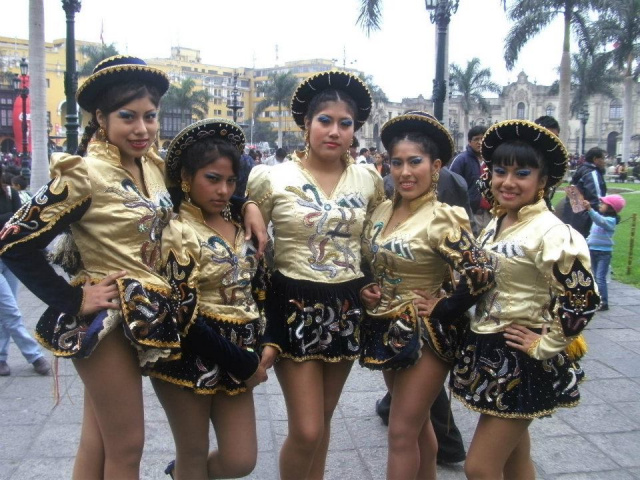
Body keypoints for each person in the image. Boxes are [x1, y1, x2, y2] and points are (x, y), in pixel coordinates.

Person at [0, 56, 265, 479]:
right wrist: (73, 298)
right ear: (100, 117)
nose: (142, 128)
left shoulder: (153, 167)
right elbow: (13, 241)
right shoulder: (83, 174)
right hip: (107, 321)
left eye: (150, 116)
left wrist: (246, 204)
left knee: (99, 441)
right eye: (128, 116)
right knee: (127, 447)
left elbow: (205, 187)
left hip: (147, 316)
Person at [247, 70, 385, 480]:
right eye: (325, 120)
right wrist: (245, 204)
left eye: (346, 123)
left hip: (346, 308)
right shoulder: (271, 177)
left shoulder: (369, 179)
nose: (335, 131)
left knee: (322, 421)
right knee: (306, 429)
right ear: (306, 124)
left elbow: (374, 242)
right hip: (292, 305)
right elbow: (242, 236)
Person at [450, 120, 600, 480]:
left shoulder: (553, 232)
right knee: (515, 460)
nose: (508, 182)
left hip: (522, 360)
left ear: (542, 180)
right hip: (490, 349)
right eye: (500, 171)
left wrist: (545, 344)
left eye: (522, 173)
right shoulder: (498, 222)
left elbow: (582, 299)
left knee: (479, 467)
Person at [359, 111, 494, 479]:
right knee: (418, 429)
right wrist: (367, 287)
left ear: (435, 166)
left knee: (401, 432)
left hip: (426, 335)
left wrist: (444, 306)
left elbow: (481, 272)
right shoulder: (383, 209)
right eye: (396, 162)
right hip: (386, 327)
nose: (404, 172)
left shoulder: (442, 217)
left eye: (415, 162)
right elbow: (367, 257)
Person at [146, 118, 268, 479]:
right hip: (188, 353)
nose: (223, 190)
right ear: (186, 177)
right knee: (193, 453)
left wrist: (266, 341)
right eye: (212, 179)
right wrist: (243, 363)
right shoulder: (175, 229)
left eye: (230, 181)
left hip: (240, 351)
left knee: (241, 460)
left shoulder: (241, 220)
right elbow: (181, 314)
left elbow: (260, 287)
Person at [0, 165, 50, 377]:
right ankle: (34, 355)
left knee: (6, 309)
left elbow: (18, 221)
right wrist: (7, 219)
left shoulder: (10, 193)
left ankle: (1, 357)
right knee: (10, 310)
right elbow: (11, 220)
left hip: (10, 257)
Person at [583, 194, 626, 312]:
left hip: (603, 253)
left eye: (603, 204)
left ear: (611, 208)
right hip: (593, 250)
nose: (600, 205)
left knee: (600, 277)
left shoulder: (610, 221)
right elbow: (592, 234)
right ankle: (595, 300)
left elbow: (600, 221)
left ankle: (604, 302)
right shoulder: (599, 218)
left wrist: (590, 209)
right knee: (593, 276)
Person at [449, 125, 490, 235]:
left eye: (483, 139)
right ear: (469, 142)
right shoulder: (461, 160)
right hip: (470, 214)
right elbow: (452, 185)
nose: (480, 142)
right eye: (476, 139)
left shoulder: (491, 160)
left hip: (489, 213)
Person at [561, 146, 607, 237]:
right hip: (586, 219)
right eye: (602, 158)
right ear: (595, 159)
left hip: (573, 216)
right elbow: (597, 199)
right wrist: (601, 216)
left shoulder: (581, 169)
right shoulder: (592, 173)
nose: (604, 161)